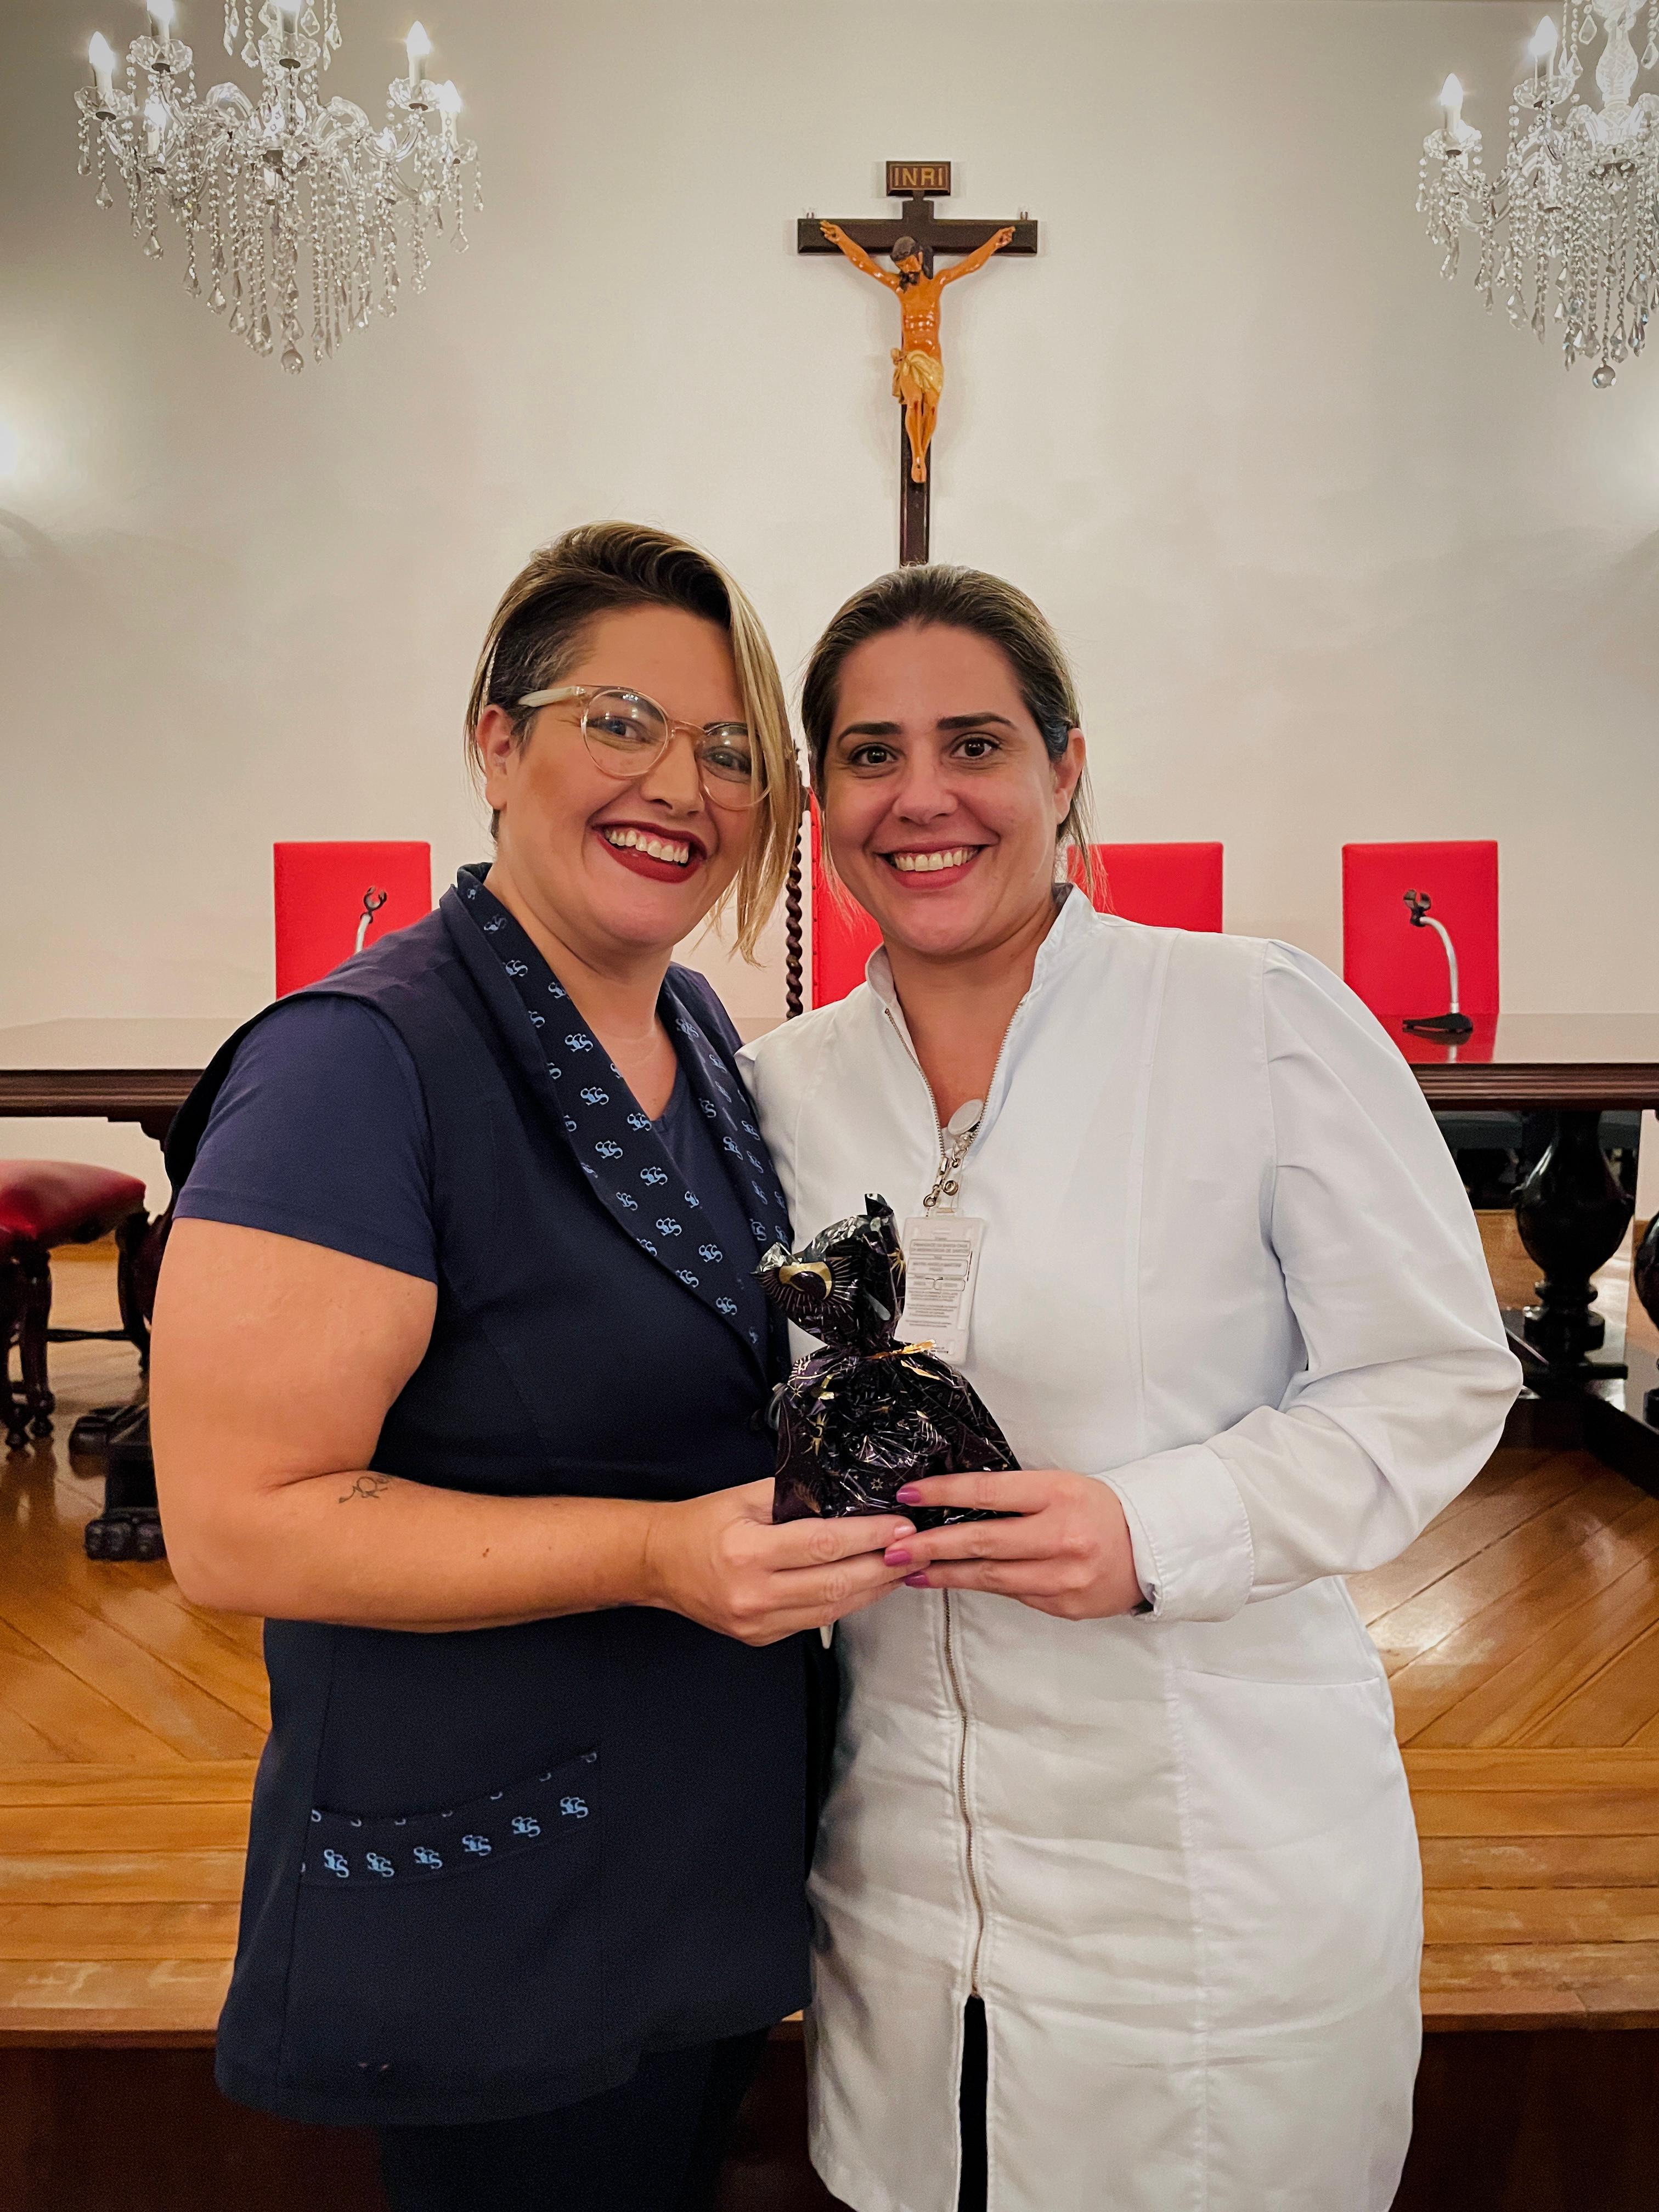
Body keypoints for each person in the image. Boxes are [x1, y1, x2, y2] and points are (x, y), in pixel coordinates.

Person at [149, 522, 915, 2212]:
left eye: (731, 750)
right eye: (620, 721)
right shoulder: (358, 1063)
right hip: (494, 1900)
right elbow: (233, 1525)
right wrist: (652, 1554)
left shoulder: (697, 1033)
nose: (681, 785)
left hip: (692, 1856)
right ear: (496, 742)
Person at [740, 563, 1522, 2212]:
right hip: (900, 1886)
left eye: (975, 743)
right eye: (873, 755)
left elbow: (1434, 1373)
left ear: (1066, 767)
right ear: (823, 802)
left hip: (1208, 1872)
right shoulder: (776, 1091)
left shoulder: (1247, 1019)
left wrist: (1158, 1526)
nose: (924, 796)